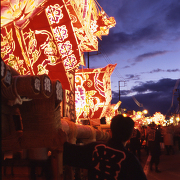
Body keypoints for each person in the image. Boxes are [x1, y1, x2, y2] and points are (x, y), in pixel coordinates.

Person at [62, 115, 147, 180]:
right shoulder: (130, 160)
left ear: (110, 132)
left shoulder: (95, 148)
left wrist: (63, 139)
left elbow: (68, 152)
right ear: (130, 136)